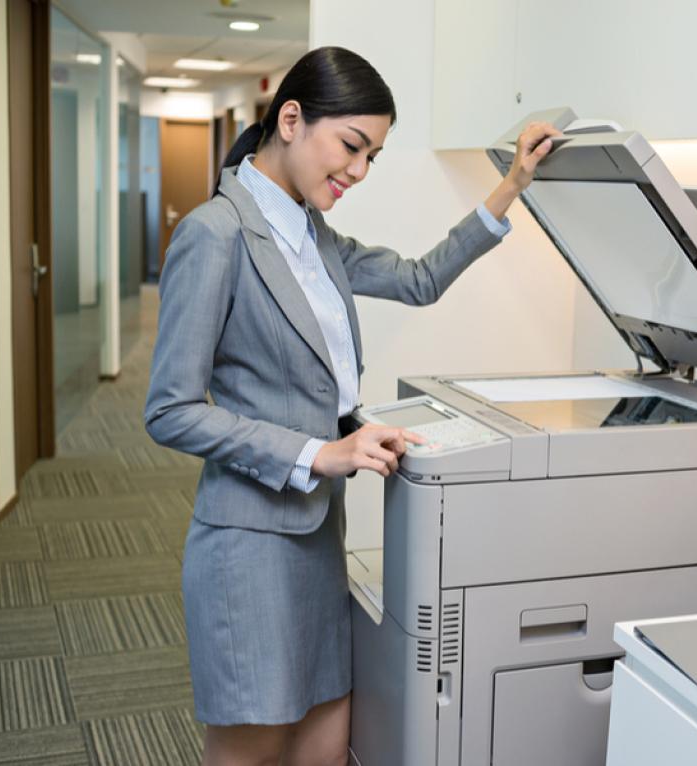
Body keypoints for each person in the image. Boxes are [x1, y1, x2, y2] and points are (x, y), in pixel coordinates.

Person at [144, 46, 559, 766]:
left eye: (373, 156)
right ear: (292, 120)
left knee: (328, 745)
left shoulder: (314, 236)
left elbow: (422, 278)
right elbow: (171, 408)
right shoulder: (214, 236)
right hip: (249, 543)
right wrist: (319, 453)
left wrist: (513, 184)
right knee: (254, 745)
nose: (359, 171)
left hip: (316, 536)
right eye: (352, 146)